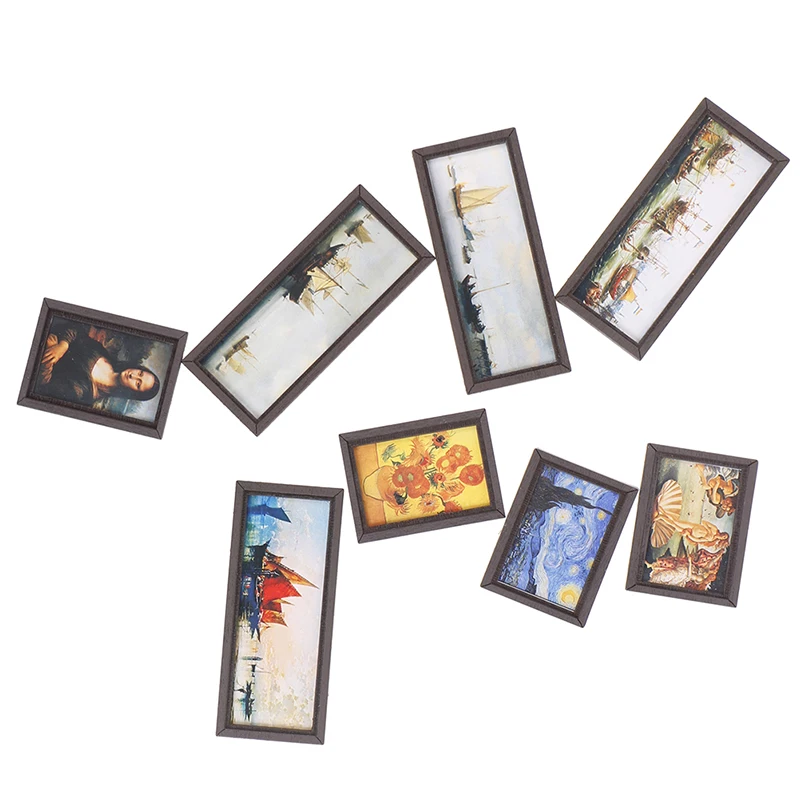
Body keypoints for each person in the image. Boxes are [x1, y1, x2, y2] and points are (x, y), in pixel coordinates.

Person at [35, 318, 161, 407]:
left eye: (138, 383)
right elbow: (77, 331)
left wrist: (48, 357)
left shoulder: (86, 394)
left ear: (133, 393)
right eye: (140, 373)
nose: (133, 376)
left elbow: (44, 385)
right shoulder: (105, 355)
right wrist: (63, 345)